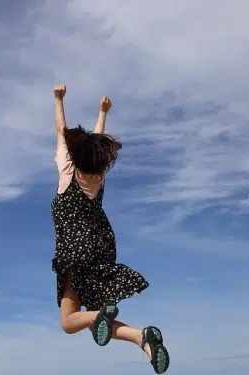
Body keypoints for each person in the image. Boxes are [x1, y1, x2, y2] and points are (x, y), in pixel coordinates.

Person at [50, 84, 170, 374]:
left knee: (68, 322)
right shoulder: (98, 176)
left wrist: (58, 100)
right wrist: (103, 113)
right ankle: (142, 339)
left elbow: (59, 129)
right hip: (101, 246)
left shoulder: (69, 171)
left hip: (75, 250)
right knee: (93, 320)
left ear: (72, 153)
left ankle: (103, 315)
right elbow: (96, 140)